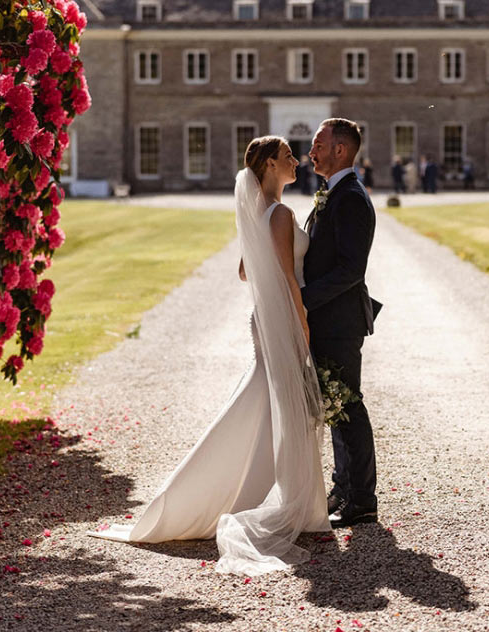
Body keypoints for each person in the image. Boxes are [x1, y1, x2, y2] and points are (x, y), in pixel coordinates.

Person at [91, 136, 330, 575]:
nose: (297, 161)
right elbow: (284, 278)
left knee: (268, 403)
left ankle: (243, 493)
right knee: (277, 403)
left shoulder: (262, 213)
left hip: (266, 319)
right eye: (289, 156)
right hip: (282, 322)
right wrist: (302, 321)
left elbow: (245, 271)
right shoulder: (279, 214)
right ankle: (275, 500)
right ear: (271, 165)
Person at [304, 118, 382, 528]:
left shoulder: (350, 197)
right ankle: (343, 486)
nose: (310, 149)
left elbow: (352, 269)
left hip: (339, 321)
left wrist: (303, 301)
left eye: (318, 142)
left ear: (340, 150)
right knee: (335, 405)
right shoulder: (333, 193)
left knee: (348, 404)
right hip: (327, 319)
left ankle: (362, 499)